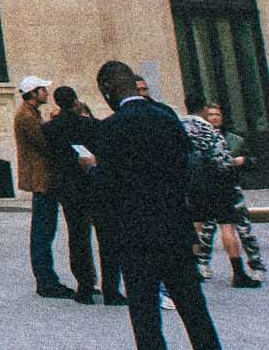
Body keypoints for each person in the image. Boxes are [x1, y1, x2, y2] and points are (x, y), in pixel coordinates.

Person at [86, 60, 223, 349]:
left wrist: (92, 168)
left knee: (146, 316)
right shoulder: (166, 117)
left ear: (107, 89)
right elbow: (190, 168)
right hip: (174, 227)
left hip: (135, 235)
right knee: (194, 309)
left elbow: (106, 188)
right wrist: (195, 221)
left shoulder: (109, 129)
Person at [185, 97, 265, 288]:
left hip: (193, 183)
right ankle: (238, 273)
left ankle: (191, 268)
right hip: (218, 183)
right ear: (204, 110)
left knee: (196, 225)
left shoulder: (181, 125)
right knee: (227, 226)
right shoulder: (208, 131)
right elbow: (222, 160)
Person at [14, 74, 75, 297]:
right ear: (33, 93)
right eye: (42, 90)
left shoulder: (30, 114)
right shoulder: (27, 117)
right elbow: (45, 142)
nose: (46, 93)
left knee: (44, 230)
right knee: (42, 231)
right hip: (42, 179)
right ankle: (46, 280)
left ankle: (47, 279)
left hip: (43, 179)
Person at [44, 85, 103, 299]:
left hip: (68, 187)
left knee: (77, 236)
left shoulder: (50, 128)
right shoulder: (90, 125)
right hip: (91, 183)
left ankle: (84, 285)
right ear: (76, 101)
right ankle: (111, 287)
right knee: (104, 235)